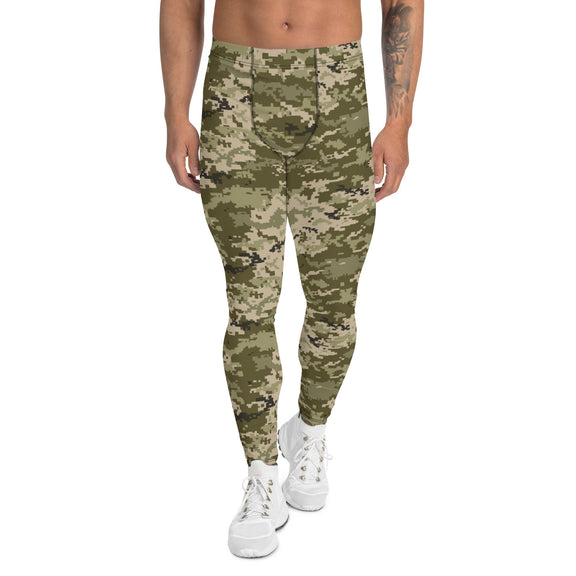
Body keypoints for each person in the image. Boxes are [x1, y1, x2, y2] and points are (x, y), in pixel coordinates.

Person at [160, 0, 424, 558]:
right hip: (234, 88)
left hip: (338, 88)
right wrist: (175, 113)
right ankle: (259, 475)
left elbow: (401, 5)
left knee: (334, 301)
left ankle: (311, 428)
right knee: (249, 308)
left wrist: (399, 122)